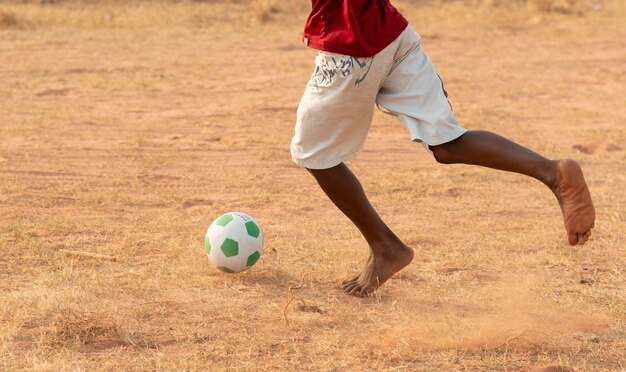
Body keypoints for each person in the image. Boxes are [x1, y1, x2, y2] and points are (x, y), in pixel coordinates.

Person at [290, 0, 595, 297]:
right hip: (394, 35)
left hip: (352, 46)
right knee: (446, 143)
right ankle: (553, 172)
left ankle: (385, 246)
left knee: (315, 154)